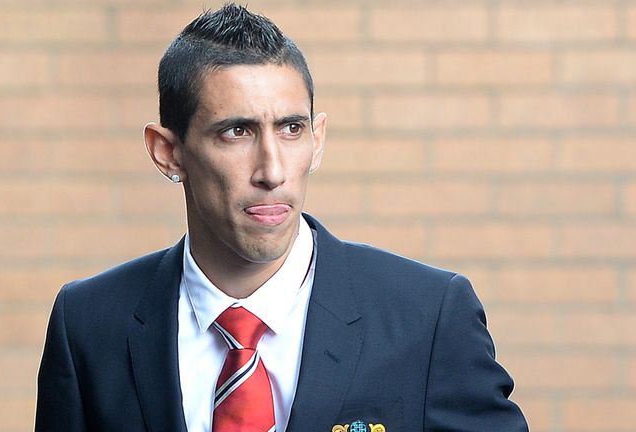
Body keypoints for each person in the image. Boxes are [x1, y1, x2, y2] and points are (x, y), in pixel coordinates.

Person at [36, 4, 529, 432]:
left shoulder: (428, 316)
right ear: (168, 152)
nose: (272, 171)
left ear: (317, 140)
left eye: (291, 129)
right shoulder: (88, 325)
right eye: (236, 132)